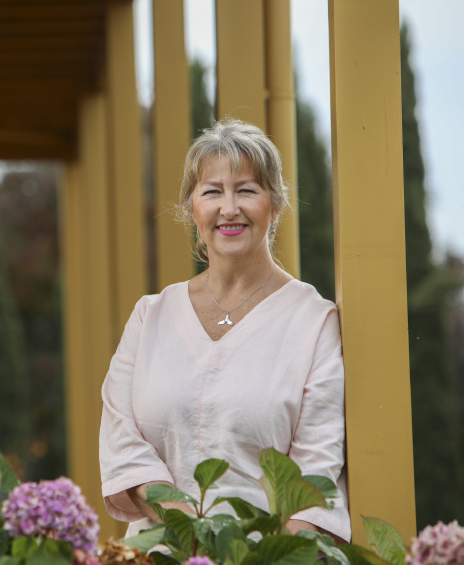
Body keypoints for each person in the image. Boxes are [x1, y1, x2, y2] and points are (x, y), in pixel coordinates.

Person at [99, 118, 351, 544]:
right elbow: (122, 440)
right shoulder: (149, 316)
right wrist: (190, 534)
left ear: (275, 205)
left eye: (247, 190)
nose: (228, 208)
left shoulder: (314, 322)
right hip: (159, 551)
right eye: (212, 191)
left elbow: (315, 474)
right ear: (191, 207)